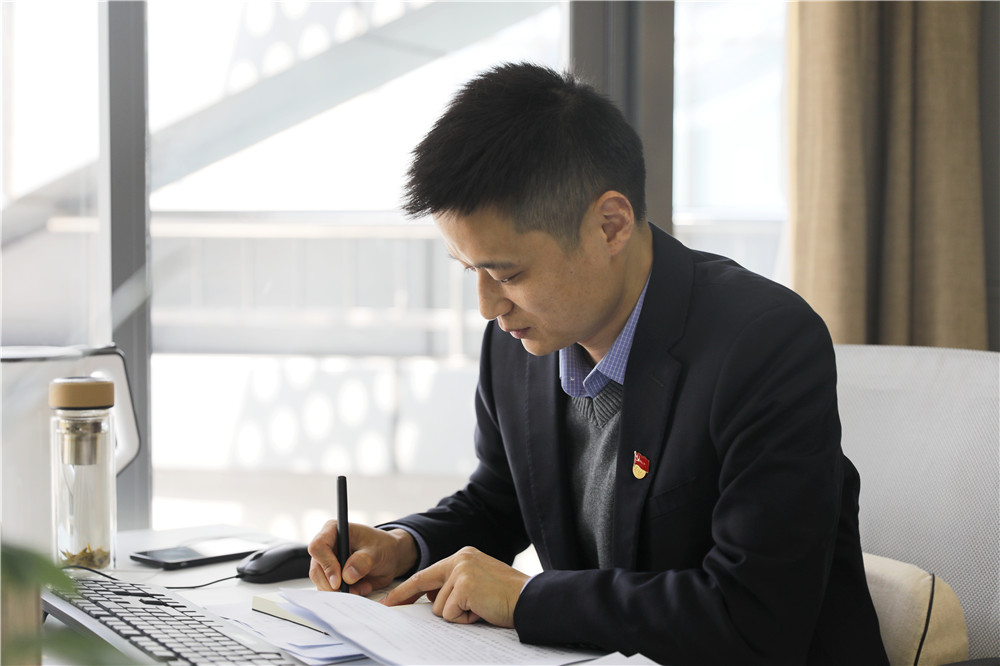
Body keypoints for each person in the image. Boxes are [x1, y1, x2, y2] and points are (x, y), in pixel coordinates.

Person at [309, 62, 888, 665]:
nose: (487, 306)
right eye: (469, 270)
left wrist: (529, 599)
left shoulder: (764, 343)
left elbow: (751, 617)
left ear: (610, 226)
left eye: (507, 273)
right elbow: (501, 500)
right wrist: (406, 545)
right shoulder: (519, 340)